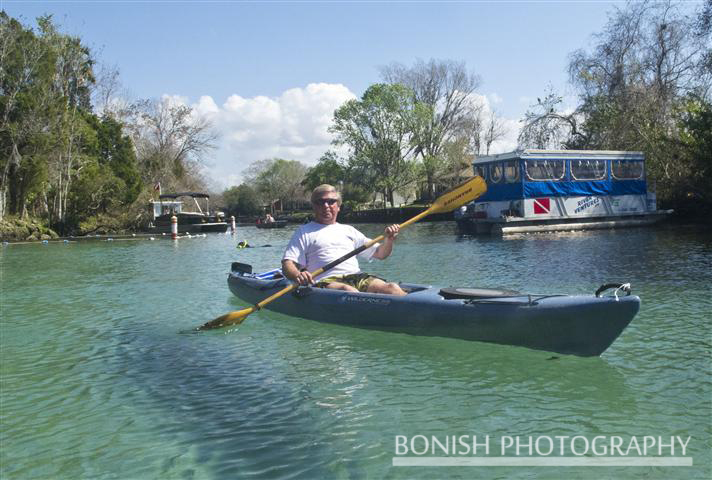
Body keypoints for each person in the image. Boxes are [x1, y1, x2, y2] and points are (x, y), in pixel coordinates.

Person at [282, 184, 407, 296]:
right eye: (320, 202)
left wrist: (389, 239)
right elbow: (288, 264)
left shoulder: (349, 230)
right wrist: (298, 275)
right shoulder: (303, 232)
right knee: (348, 291)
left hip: (356, 277)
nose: (326, 205)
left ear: (338, 206)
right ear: (314, 206)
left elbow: (381, 254)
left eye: (331, 201)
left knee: (393, 288)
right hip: (325, 281)